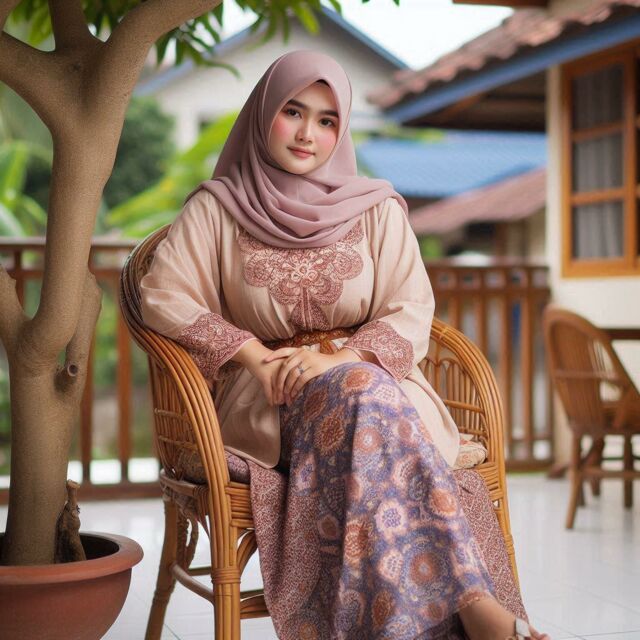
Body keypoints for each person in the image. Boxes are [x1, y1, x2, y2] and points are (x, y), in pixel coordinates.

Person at [139, 50, 549, 640]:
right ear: (262, 113)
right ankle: (477, 608)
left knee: (362, 390)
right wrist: (253, 356)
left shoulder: (376, 208)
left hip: (375, 383)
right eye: (293, 111)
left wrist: (342, 359)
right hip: (271, 395)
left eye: (327, 119)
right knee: (367, 396)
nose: (308, 133)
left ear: (342, 129)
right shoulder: (217, 209)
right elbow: (163, 296)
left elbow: (412, 307)